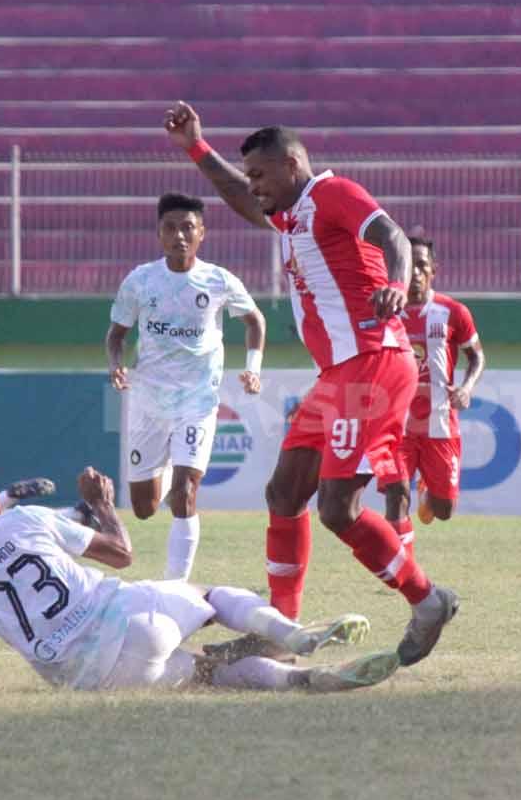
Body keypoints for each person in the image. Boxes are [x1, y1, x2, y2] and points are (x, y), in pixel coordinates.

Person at [163, 101, 459, 667]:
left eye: (261, 174)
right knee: (284, 493)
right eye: (250, 175)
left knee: (338, 508)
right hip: (338, 374)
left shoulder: (332, 194)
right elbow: (242, 199)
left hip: (373, 360)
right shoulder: (292, 215)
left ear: (292, 165)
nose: (254, 185)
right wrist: (197, 148)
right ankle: (281, 630)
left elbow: (392, 235)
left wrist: (398, 285)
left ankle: (427, 601)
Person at [0, 466, 401, 694]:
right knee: (211, 595)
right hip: (127, 618)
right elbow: (121, 554)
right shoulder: (24, 518)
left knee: (210, 674)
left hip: (89, 680)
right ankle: (296, 636)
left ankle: (301, 681)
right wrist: (102, 505)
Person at [105, 192, 266, 581]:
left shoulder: (218, 280)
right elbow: (116, 335)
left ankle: (175, 587)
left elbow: (255, 321)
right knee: (144, 507)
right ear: (159, 233)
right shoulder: (140, 281)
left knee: (185, 493)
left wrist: (253, 368)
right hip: (148, 401)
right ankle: (167, 466)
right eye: (170, 227)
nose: (179, 235)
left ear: (201, 233)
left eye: (187, 227)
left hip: (197, 402)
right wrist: (116, 365)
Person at [384, 236, 485, 544]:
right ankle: (400, 566)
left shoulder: (453, 312)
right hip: (396, 425)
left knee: (443, 510)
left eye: (422, 265)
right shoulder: (384, 312)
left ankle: (428, 489)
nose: (415, 272)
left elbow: (476, 357)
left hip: (440, 423)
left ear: (433, 270)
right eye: (409, 265)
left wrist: (466, 388)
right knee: (396, 495)